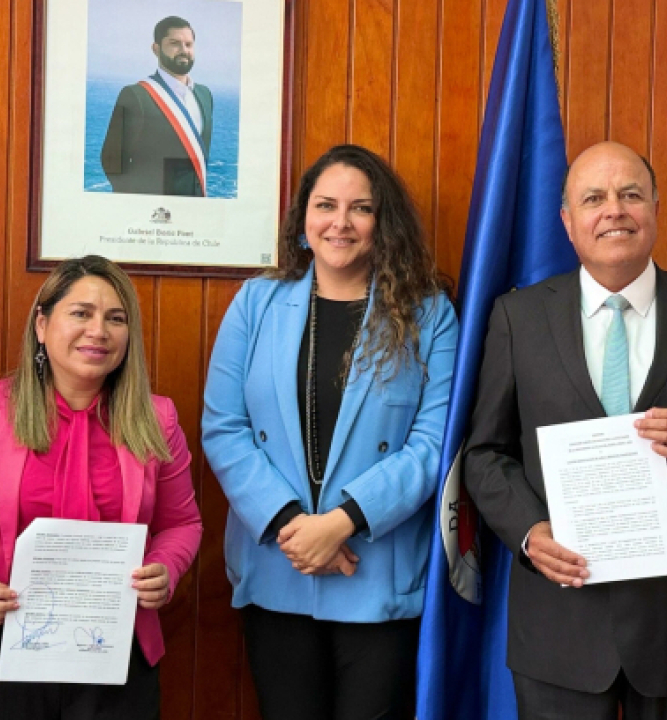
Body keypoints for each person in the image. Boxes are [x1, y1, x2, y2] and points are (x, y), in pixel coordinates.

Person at [463, 141, 667, 720]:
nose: (613, 209)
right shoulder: (518, 317)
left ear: (656, 210)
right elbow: (485, 454)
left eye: (631, 194)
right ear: (568, 221)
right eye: (594, 198)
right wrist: (529, 532)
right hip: (559, 626)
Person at [202, 144, 458, 720]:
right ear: (304, 219)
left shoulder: (429, 314)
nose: (340, 222)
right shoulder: (256, 303)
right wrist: (295, 528)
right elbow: (224, 427)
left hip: (377, 571)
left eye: (360, 208)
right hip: (278, 565)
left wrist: (341, 524)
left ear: (382, 223)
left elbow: (432, 444)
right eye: (326, 205)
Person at [0, 255, 203, 720]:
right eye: (81, 313)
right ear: (42, 325)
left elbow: (183, 523)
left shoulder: (158, 419)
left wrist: (165, 569)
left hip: (115, 653)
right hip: (2, 647)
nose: (99, 331)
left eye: (116, 319)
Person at [99, 15, 214, 197]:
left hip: (194, 206)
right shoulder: (136, 95)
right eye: (174, 44)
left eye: (188, 44)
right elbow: (111, 160)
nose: (183, 50)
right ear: (156, 49)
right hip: (154, 208)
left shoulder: (204, 95)